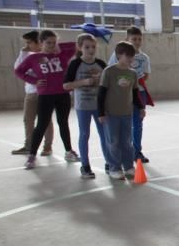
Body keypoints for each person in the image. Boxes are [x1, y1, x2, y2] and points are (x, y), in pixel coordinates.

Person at [14, 30, 79, 169]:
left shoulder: (62, 54)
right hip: (45, 95)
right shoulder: (34, 58)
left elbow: (76, 45)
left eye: (54, 42)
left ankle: (68, 151)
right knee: (42, 124)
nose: (51, 45)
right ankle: (32, 155)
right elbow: (19, 71)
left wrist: (59, 46)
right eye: (48, 42)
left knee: (63, 123)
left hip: (62, 94)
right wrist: (34, 80)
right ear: (41, 43)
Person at [97, 41, 146, 180]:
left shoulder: (132, 73)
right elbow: (101, 93)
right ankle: (114, 168)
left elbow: (135, 93)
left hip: (126, 113)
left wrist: (141, 107)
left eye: (132, 56)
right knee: (113, 142)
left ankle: (128, 166)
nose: (131, 59)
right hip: (111, 114)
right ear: (119, 55)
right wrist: (101, 112)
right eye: (128, 56)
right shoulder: (109, 71)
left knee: (126, 141)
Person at [63, 33, 108, 179]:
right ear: (80, 47)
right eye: (87, 47)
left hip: (99, 106)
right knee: (84, 134)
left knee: (104, 134)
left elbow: (109, 83)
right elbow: (66, 85)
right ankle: (85, 165)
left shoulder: (101, 64)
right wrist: (84, 82)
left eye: (93, 47)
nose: (91, 50)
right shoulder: (75, 64)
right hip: (83, 105)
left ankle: (110, 162)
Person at [107, 26, 152, 163]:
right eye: (134, 39)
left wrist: (138, 79)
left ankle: (137, 151)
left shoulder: (144, 58)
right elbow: (111, 72)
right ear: (127, 39)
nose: (137, 42)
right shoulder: (117, 55)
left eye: (139, 39)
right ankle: (123, 152)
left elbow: (146, 75)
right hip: (123, 95)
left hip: (139, 93)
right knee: (123, 124)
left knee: (137, 124)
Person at [12, 30, 54, 156]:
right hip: (30, 93)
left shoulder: (46, 57)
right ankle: (28, 146)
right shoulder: (28, 56)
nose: (27, 45)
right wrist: (23, 52)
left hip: (44, 93)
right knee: (28, 120)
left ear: (39, 43)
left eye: (29, 42)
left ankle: (47, 147)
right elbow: (17, 69)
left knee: (45, 121)